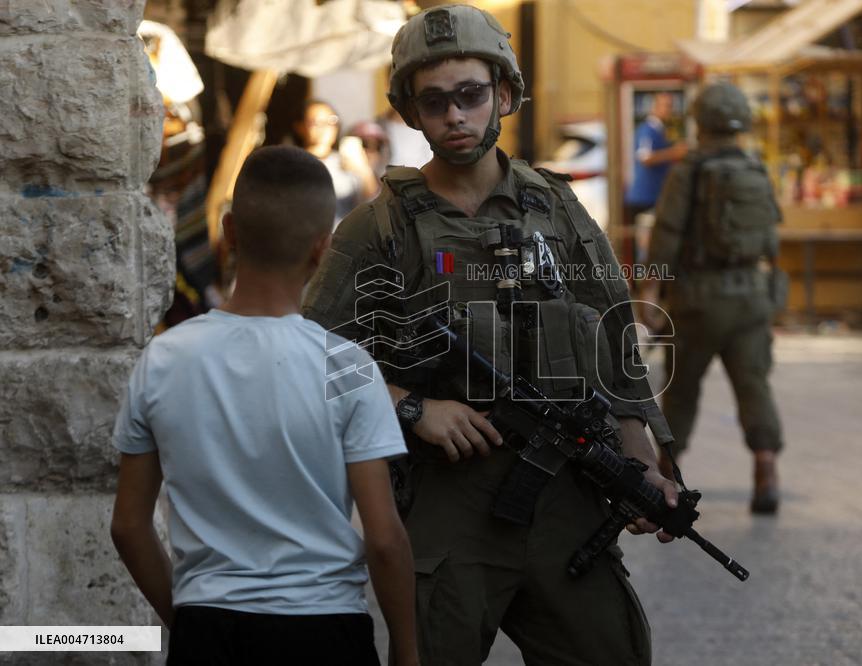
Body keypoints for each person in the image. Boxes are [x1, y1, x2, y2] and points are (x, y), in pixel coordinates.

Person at [303, 5, 678, 665]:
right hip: (449, 513)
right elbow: (311, 357)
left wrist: (641, 459)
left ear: (503, 95)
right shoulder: (379, 229)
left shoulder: (557, 208)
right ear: (411, 112)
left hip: (566, 500)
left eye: (471, 96)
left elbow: (616, 339)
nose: (455, 116)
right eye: (436, 101)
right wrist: (411, 408)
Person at [110, 146, 419, 665]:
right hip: (327, 630)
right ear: (323, 249)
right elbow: (384, 539)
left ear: (229, 231)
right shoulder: (348, 367)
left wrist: (186, 617)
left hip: (208, 626)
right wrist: (407, 655)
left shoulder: (163, 358)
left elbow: (128, 525)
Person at [640, 81, 785, 515]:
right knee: (753, 384)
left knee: (682, 389)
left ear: (700, 121)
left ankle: (667, 475)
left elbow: (666, 236)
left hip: (699, 299)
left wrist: (649, 294)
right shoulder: (756, 168)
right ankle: (766, 471)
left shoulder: (690, 170)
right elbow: (770, 238)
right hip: (751, 296)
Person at [624, 91, 688, 264]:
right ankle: (644, 284)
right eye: (666, 106)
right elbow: (645, 157)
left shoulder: (662, 130)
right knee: (646, 244)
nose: (669, 110)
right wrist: (675, 153)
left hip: (656, 195)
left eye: (671, 106)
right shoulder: (648, 129)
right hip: (645, 197)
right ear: (655, 107)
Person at [294, 100, 379, 228]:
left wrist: (363, 170)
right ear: (300, 127)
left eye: (331, 121)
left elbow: (373, 204)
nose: (325, 128)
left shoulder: (346, 160)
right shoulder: (293, 163)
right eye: (315, 122)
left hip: (343, 241)